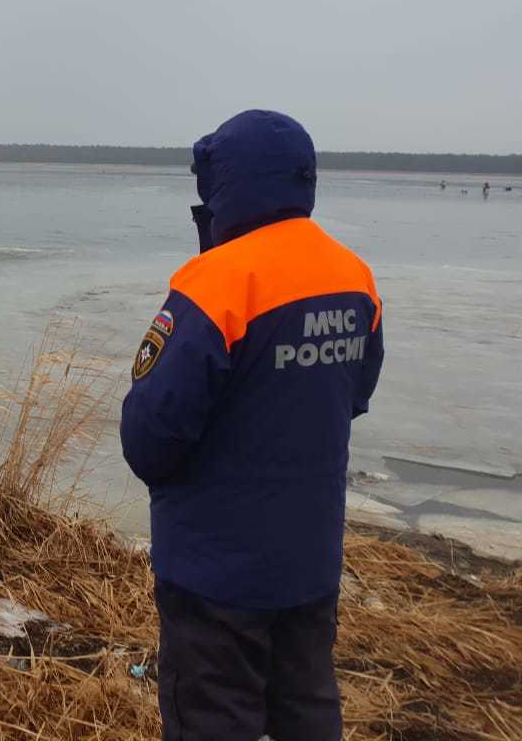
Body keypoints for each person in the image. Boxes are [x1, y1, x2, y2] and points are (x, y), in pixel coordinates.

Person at [120, 110, 384, 741]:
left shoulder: (217, 283)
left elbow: (149, 438)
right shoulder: (355, 278)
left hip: (216, 573)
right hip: (308, 562)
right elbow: (354, 394)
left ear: (226, 184)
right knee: (306, 710)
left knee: (213, 720)